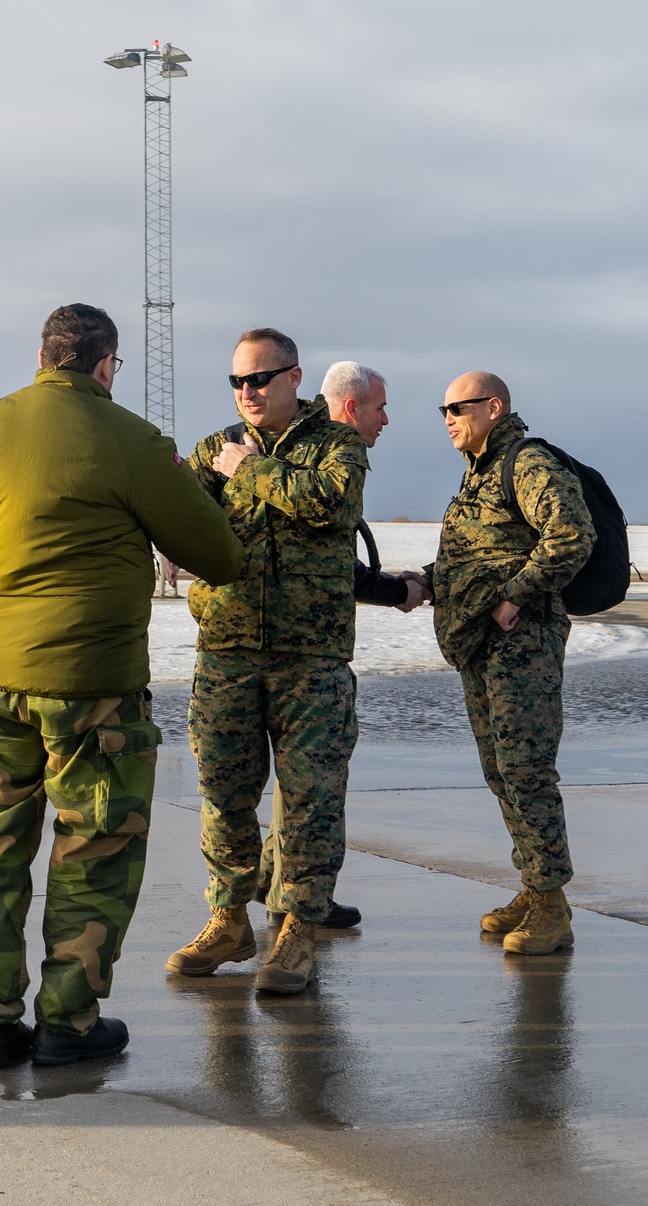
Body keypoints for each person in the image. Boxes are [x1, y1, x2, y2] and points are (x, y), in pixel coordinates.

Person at [0, 303, 243, 1068]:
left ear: (44, 356)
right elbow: (218, 554)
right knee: (95, 849)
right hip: (96, 691)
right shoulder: (134, 441)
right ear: (106, 364)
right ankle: (68, 1023)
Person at [166, 328, 368, 996]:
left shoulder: (336, 444)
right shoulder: (212, 448)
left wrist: (246, 471)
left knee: (310, 799)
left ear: (294, 378)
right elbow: (171, 504)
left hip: (310, 659)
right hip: (226, 651)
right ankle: (228, 920)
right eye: (237, 382)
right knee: (224, 793)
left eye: (259, 378)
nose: (247, 392)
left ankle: (297, 932)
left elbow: (327, 505)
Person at [256, 360, 430, 924]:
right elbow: (320, 557)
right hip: (293, 652)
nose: (387, 419)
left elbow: (330, 564)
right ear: (352, 407)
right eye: (380, 407)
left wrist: (392, 587)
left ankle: (272, 883)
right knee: (311, 784)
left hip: (294, 644)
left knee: (299, 782)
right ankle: (297, 901)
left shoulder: (312, 453)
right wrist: (392, 589)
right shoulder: (310, 457)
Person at [428, 372, 594, 955]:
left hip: (523, 645)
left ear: (493, 407)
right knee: (501, 772)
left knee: (526, 771)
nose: (447, 416)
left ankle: (552, 905)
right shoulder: (479, 473)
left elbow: (573, 535)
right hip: (483, 647)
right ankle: (533, 884)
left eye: (457, 406)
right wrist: (427, 583)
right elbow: (480, 555)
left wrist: (515, 595)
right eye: (441, 408)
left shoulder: (526, 463)